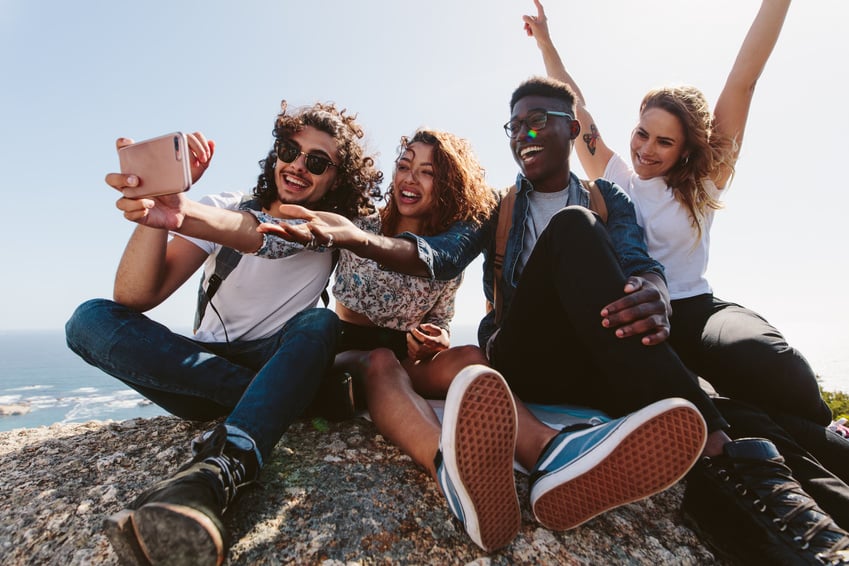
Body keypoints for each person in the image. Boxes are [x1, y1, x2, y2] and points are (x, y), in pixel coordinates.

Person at [258, 132, 710, 552]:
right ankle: (448, 467)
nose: (409, 179)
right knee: (380, 360)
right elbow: (296, 232)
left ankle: (552, 452)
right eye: (404, 165)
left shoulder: (446, 251)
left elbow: (437, 325)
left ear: (446, 185)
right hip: (344, 352)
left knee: (470, 357)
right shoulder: (357, 222)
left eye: (427, 171)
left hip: (402, 357)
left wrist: (431, 341)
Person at [522, 1, 849, 561]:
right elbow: (574, 101)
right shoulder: (616, 175)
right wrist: (547, 44)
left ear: (687, 149)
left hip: (699, 307)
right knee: (743, 415)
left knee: (766, 358)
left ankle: (831, 429)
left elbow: (743, 81)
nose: (645, 150)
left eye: (663, 143)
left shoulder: (701, 182)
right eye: (641, 134)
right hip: (654, 315)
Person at [64, 100, 389, 566]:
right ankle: (291, 401)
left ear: (338, 179)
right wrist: (159, 207)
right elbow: (136, 296)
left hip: (277, 357)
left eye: (317, 162)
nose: (297, 165)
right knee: (87, 319)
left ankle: (232, 457)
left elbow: (380, 262)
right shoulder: (224, 207)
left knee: (320, 322)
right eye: (288, 149)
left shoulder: (331, 234)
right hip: (200, 371)